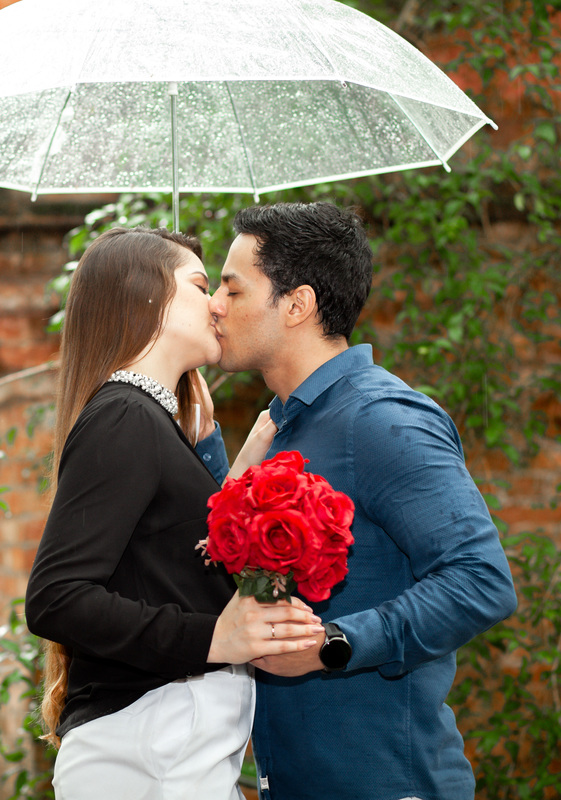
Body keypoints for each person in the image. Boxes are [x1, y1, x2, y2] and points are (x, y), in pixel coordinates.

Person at [207, 202, 518, 800]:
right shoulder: (279, 428)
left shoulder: (380, 419)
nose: (215, 305)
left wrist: (333, 645)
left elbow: (482, 581)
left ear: (296, 305)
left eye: (232, 288)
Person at [25, 226, 321, 800]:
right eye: (202, 285)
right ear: (148, 297)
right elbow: (56, 598)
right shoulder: (125, 416)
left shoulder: (147, 420)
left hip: (165, 749)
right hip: (149, 745)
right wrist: (215, 638)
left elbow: (168, 570)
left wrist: (233, 470)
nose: (218, 304)